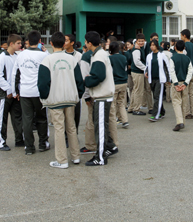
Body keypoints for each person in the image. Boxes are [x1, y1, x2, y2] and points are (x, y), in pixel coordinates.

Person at [38, 31, 85, 168]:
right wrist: (78, 95)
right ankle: (76, 156)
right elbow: (79, 80)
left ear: (51, 43)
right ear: (64, 44)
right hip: (70, 99)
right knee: (71, 127)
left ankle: (62, 160)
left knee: (59, 129)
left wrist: (44, 97)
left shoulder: (47, 60)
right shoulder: (72, 59)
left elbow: (43, 83)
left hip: (55, 99)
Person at [13, 30, 50, 155]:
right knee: (41, 118)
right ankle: (43, 143)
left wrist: (15, 91)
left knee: (27, 119)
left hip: (24, 92)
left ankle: (29, 147)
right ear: (40, 41)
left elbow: (15, 74)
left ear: (27, 41)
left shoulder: (21, 55)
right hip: (38, 92)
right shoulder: (43, 56)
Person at [83, 31, 117, 166]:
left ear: (89, 43)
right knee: (102, 125)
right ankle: (110, 147)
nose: (85, 44)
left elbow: (99, 76)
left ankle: (100, 157)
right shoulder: (100, 54)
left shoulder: (98, 56)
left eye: (86, 41)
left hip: (102, 95)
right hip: (103, 95)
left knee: (100, 127)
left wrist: (87, 80)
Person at [0, 34, 24, 151]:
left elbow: (18, 76)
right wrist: (8, 89)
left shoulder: (17, 57)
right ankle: (0, 142)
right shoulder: (1, 57)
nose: (20, 45)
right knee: (2, 118)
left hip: (15, 94)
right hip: (4, 94)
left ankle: (19, 139)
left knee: (17, 117)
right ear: (11, 44)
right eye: (18, 43)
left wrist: (16, 91)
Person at [169, 40, 193, 131]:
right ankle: (183, 121)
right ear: (184, 48)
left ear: (175, 48)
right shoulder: (187, 59)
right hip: (184, 83)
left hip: (176, 83)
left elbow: (172, 71)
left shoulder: (173, 58)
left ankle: (179, 122)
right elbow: (190, 71)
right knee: (184, 103)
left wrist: (175, 83)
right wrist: (186, 83)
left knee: (176, 102)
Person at [145, 40, 172, 122]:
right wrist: (146, 72)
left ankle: (155, 115)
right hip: (152, 79)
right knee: (156, 96)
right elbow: (147, 66)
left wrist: (169, 79)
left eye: (153, 45)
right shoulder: (149, 56)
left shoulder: (162, 55)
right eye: (151, 45)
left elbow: (167, 66)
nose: (152, 46)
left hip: (160, 80)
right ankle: (161, 112)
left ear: (157, 46)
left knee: (157, 96)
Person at [109, 41, 130, 132]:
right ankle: (125, 120)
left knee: (113, 104)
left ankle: (113, 121)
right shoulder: (123, 57)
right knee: (121, 103)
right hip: (124, 82)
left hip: (115, 83)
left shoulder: (110, 58)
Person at [127, 33, 147, 116]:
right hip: (137, 72)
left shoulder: (139, 47)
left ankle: (131, 107)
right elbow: (137, 62)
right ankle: (136, 109)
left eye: (142, 41)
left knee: (135, 90)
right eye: (139, 41)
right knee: (138, 91)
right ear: (136, 41)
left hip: (136, 72)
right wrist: (146, 68)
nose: (141, 42)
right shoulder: (137, 50)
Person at [180, 29, 193, 118]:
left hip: (186, 72)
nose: (181, 37)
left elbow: (183, 59)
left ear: (184, 36)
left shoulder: (184, 46)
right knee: (191, 94)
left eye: (181, 35)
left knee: (185, 93)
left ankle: (187, 112)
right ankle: (192, 112)